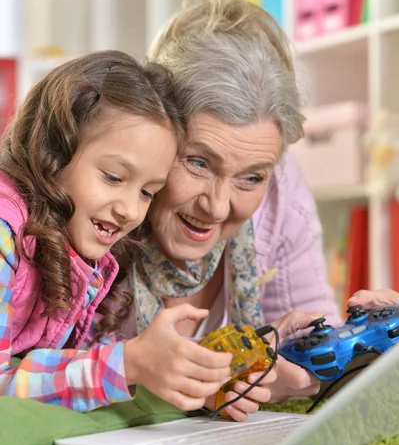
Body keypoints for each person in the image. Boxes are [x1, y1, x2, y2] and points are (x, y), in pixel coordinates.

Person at [122, 0, 343, 421]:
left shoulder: (280, 193)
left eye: (251, 177)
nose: (218, 207)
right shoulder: (107, 191)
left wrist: (350, 345)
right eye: (199, 162)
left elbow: (314, 345)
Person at [0, 50, 235, 412]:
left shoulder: (87, 252)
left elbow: (71, 370)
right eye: (113, 177)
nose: (129, 210)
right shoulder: (4, 230)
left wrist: (185, 379)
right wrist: (128, 363)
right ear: (55, 152)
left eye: (147, 192)